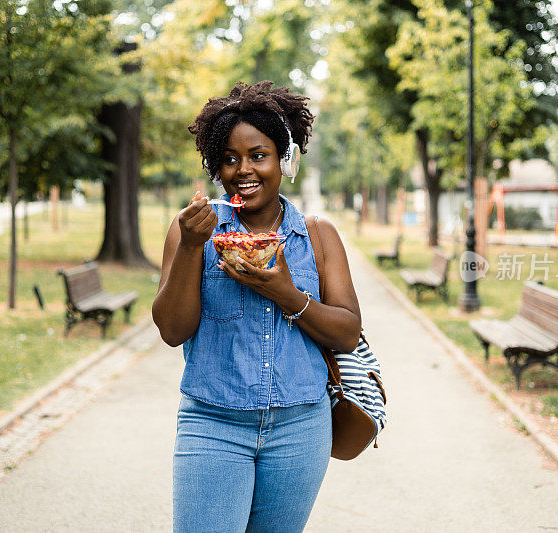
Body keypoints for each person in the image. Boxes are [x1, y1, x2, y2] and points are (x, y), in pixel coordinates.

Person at [152, 80, 362, 532]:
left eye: (258, 155)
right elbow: (172, 330)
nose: (243, 169)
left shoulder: (318, 236)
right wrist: (191, 246)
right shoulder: (193, 229)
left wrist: (286, 293)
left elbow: (347, 331)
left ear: (284, 160)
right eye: (229, 158)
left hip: (300, 428)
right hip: (213, 423)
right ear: (215, 167)